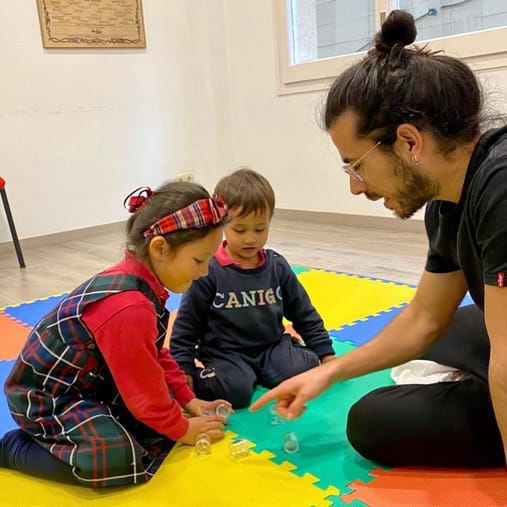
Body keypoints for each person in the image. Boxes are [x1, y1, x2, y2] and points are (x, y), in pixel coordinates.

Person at [251, 9, 507, 469]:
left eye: (356, 165)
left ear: (410, 142)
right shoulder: (450, 198)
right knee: (449, 331)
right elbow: (425, 317)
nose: (356, 186)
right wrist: (328, 371)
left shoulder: (502, 188)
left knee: (372, 420)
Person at [0, 180, 231, 487]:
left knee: (152, 430)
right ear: (160, 248)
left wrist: (187, 400)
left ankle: (59, 436)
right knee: (117, 459)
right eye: (199, 261)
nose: (204, 273)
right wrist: (183, 429)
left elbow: (153, 353)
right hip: (45, 399)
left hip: (87, 385)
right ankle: (11, 449)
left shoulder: (143, 281)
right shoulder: (129, 306)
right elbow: (146, 398)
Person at [169, 168, 335, 408]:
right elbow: (186, 327)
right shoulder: (208, 271)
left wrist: (325, 353)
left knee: (303, 369)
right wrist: (183, 370)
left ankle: (270, 367)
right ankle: (231, 376)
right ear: (222, 225)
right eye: (240, 229)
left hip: (271, 347)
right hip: (226, 353)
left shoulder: (276, 266)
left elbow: (303, 312)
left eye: (260, 229)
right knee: (235, 391)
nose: (250, 239)